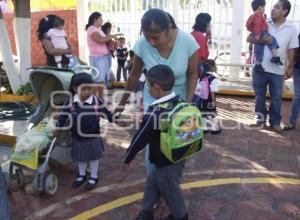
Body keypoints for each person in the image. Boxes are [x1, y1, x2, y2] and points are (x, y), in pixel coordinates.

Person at [114, 9, 199, 174]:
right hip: (152, 97)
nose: (151, 42)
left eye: (156, 37)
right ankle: (154, 179)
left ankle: (173, 176)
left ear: (168, 29)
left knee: (177, 139)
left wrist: (187, 104)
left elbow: (193, 73)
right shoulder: (142, 43)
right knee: (153, 139)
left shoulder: (187, 41)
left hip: (178, 98)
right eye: (147, 37)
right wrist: (121, 103)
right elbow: (134, 74)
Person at [122, 65, 188, 220]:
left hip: (164, 161)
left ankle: (181, 216)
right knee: (153, 180)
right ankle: (146, 211)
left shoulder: (154, 113)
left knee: (170, 189)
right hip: (179, 156)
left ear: (156, 88)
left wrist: (127, 158)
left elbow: (140, 138)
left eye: (147, 86)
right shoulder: (181, 103)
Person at [54, 73, 114, 190]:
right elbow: (62, 117)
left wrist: (116, 120)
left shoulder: (96, 102)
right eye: (84, 89)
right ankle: (81, 174)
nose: (88, 92)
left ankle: (94, 176)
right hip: (77, 136)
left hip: (93, 136)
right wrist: (58, 129)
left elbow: (107, 113)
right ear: (75, 88)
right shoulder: (70, 102)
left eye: (90, 88)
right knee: (80, 157)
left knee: (93, 157)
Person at [247, 0, 299, 132]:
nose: (272, 9)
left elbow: (291, 49)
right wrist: (263, 40)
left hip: (278, 70)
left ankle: (275, 122)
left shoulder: (291, 28)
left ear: (285, 11)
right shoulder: (264, 22)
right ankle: (260, 120)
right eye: (273, 7)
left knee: (276, 98)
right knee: (259, 96)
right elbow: (249, 38)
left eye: (277, 7)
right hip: (260, 68)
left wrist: (289, 66)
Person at [86, 12, 120, 96]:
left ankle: (100, 98)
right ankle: (94, 99)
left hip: (102, 58)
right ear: (95, 20)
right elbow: (100, 39)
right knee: (97, 80)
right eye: (100, 19)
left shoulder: (98, 29)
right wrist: (111, 36)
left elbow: (104, 40)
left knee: (101, 80)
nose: (102, 21)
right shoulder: (91, 29)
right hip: (97, 58)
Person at [246, 0, 283, 73]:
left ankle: (258, 64)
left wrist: (254, 33)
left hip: (256, 32)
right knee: (272, 40)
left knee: (259, 47)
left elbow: (248, 25)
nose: (264, 9)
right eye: (264, 7)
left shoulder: (252, 16)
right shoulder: (259, 15)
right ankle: (276, 57)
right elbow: (258, 25)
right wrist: (257, 35)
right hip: (262, 32)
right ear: (260, 8)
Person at [192, 59, 221, 134]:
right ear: (212, 67)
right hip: (210, 99)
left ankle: (204, 128)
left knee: (203, 113)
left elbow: (197, 89)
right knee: (213, 114)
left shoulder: (201, 77)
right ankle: (214, 129)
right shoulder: (213, 78)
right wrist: (214, 101)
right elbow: (212, 91)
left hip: (202, 98)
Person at [284, 33, 300, 130]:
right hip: (298, 68)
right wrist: (289, 66)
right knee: (298, 95)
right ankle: (292, 122)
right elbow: (295, 49)